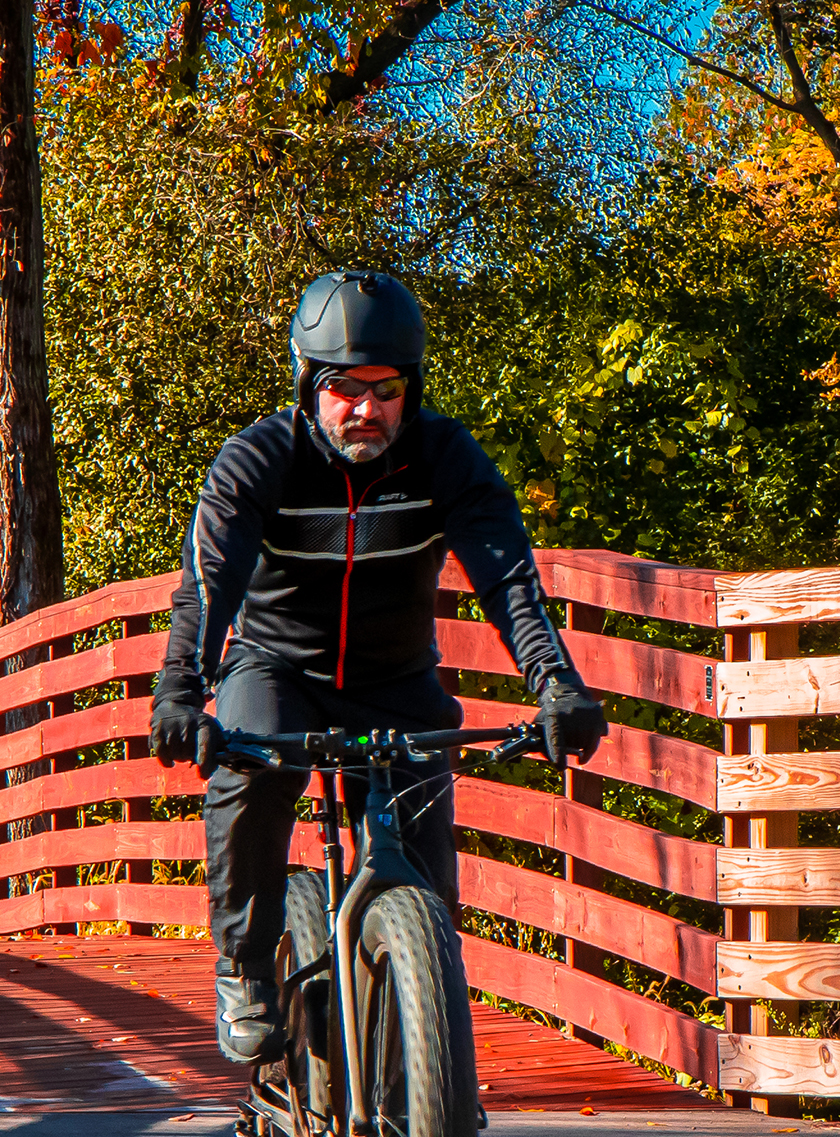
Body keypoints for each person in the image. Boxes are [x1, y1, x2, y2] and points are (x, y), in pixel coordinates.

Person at [151, 270, 610, 1064]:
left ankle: (431, 1087)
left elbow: (508, 578)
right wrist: (182, 694)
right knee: (252, 766)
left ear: (411, 387)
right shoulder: (257, 460)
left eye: (387, 388)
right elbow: (208, 584)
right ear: (308, 385)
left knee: (429, 894)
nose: (366, 409)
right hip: (278, 669)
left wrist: (556, 685)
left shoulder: (443, 458)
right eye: (344, 389)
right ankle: (247, 964)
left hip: (396, 682)